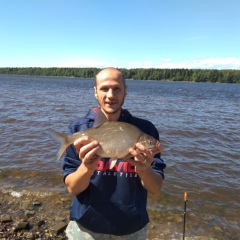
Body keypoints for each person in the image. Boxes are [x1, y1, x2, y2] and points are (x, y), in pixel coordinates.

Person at [62, 67, 166, 239]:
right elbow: (72, 188)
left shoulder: (146, 129)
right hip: (86, 229)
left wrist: (145, 170)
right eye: (104, 88)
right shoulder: (78, 129)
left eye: (117, 88)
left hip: (131, 229)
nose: (110, 95)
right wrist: (87, 167)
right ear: (95, 92)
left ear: (125, 91)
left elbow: (156, 188)